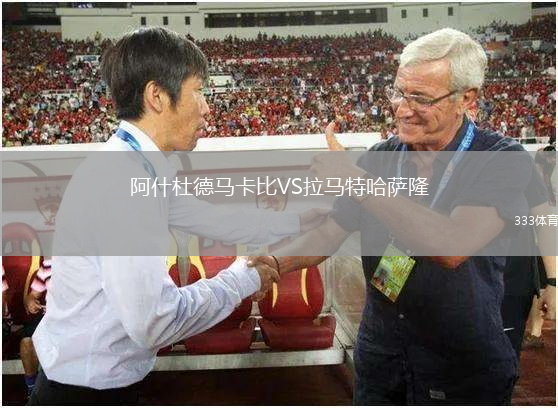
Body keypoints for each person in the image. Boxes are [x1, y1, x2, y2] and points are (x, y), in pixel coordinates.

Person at [29, 27, 323, 405]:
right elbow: (154, 321)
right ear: (157, 96)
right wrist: (244, 278)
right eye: (198, 90)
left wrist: (304, 218)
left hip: (94, 380)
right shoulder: (122, 181)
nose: (206, 107)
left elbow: (213, 220)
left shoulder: (139, 165)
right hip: (85, 393)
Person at [251, 28, 543, 404]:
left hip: (459, 364)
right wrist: (274, 263)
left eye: (420, 98)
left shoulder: (500, 158)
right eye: (399, 92)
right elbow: (330, 231)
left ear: (466, 98)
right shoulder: (381, 157)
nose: (402, 109)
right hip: (382, 357)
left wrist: (357, 181)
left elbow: (452, 245)